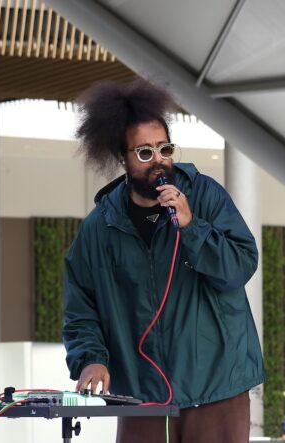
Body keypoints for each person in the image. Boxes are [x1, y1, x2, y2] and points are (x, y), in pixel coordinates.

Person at [62, 79, 265, 443]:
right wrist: (91, 358)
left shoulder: (204, 196)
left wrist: (192, 227)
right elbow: (81, 306)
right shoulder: (100, 226)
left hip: (215, 386)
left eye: (164, 148)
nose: (158, 160)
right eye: (144, 152)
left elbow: (239, 268)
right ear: (122, 158)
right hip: (142, 393)